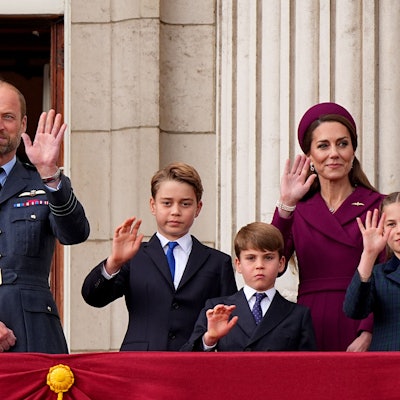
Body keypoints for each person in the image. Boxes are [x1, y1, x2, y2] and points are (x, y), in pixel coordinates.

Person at [81, 162, 237, 351]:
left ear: (198, 208)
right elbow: (93, 297)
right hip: (140, 364)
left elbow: (226, 324)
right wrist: (114, 262)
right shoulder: (134, 256)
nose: (175, 211)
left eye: (185, 204)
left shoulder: (218, 262)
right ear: (153, 205)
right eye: (167, 203)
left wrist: (207, 342)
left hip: (195, 364)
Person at [271, 102, 385, 351]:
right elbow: (272, 263)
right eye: (323, 145)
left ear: (353, 150)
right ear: (310, 156)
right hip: (309, 322)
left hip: (361, 320)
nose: (334, 153)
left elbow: (388, 276)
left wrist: (368, 331)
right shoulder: (297, 209)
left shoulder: (378, 205)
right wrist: (286, 204)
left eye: (342, 144)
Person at [0, 79, 90, 353]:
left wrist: (49, 172)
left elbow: (75, 233)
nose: (0, 125)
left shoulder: (43, 182)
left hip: (32, 331)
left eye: (8, 117)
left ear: (24, 124)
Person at [181, 222, 316, 351]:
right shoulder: (217, 309)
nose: (259, 265)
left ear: (281, 263)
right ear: (238, 264)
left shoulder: (298, 315)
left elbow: (307, 368)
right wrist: (209, 340)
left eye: (268, 257)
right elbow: (188, 361)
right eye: (251, 258)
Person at [344, 193, 400, 351]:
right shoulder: (377, 274)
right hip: (388, 364)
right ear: (382, 229)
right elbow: (354, 310)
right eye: (391, 224)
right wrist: (369, 254)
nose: (399, 230)